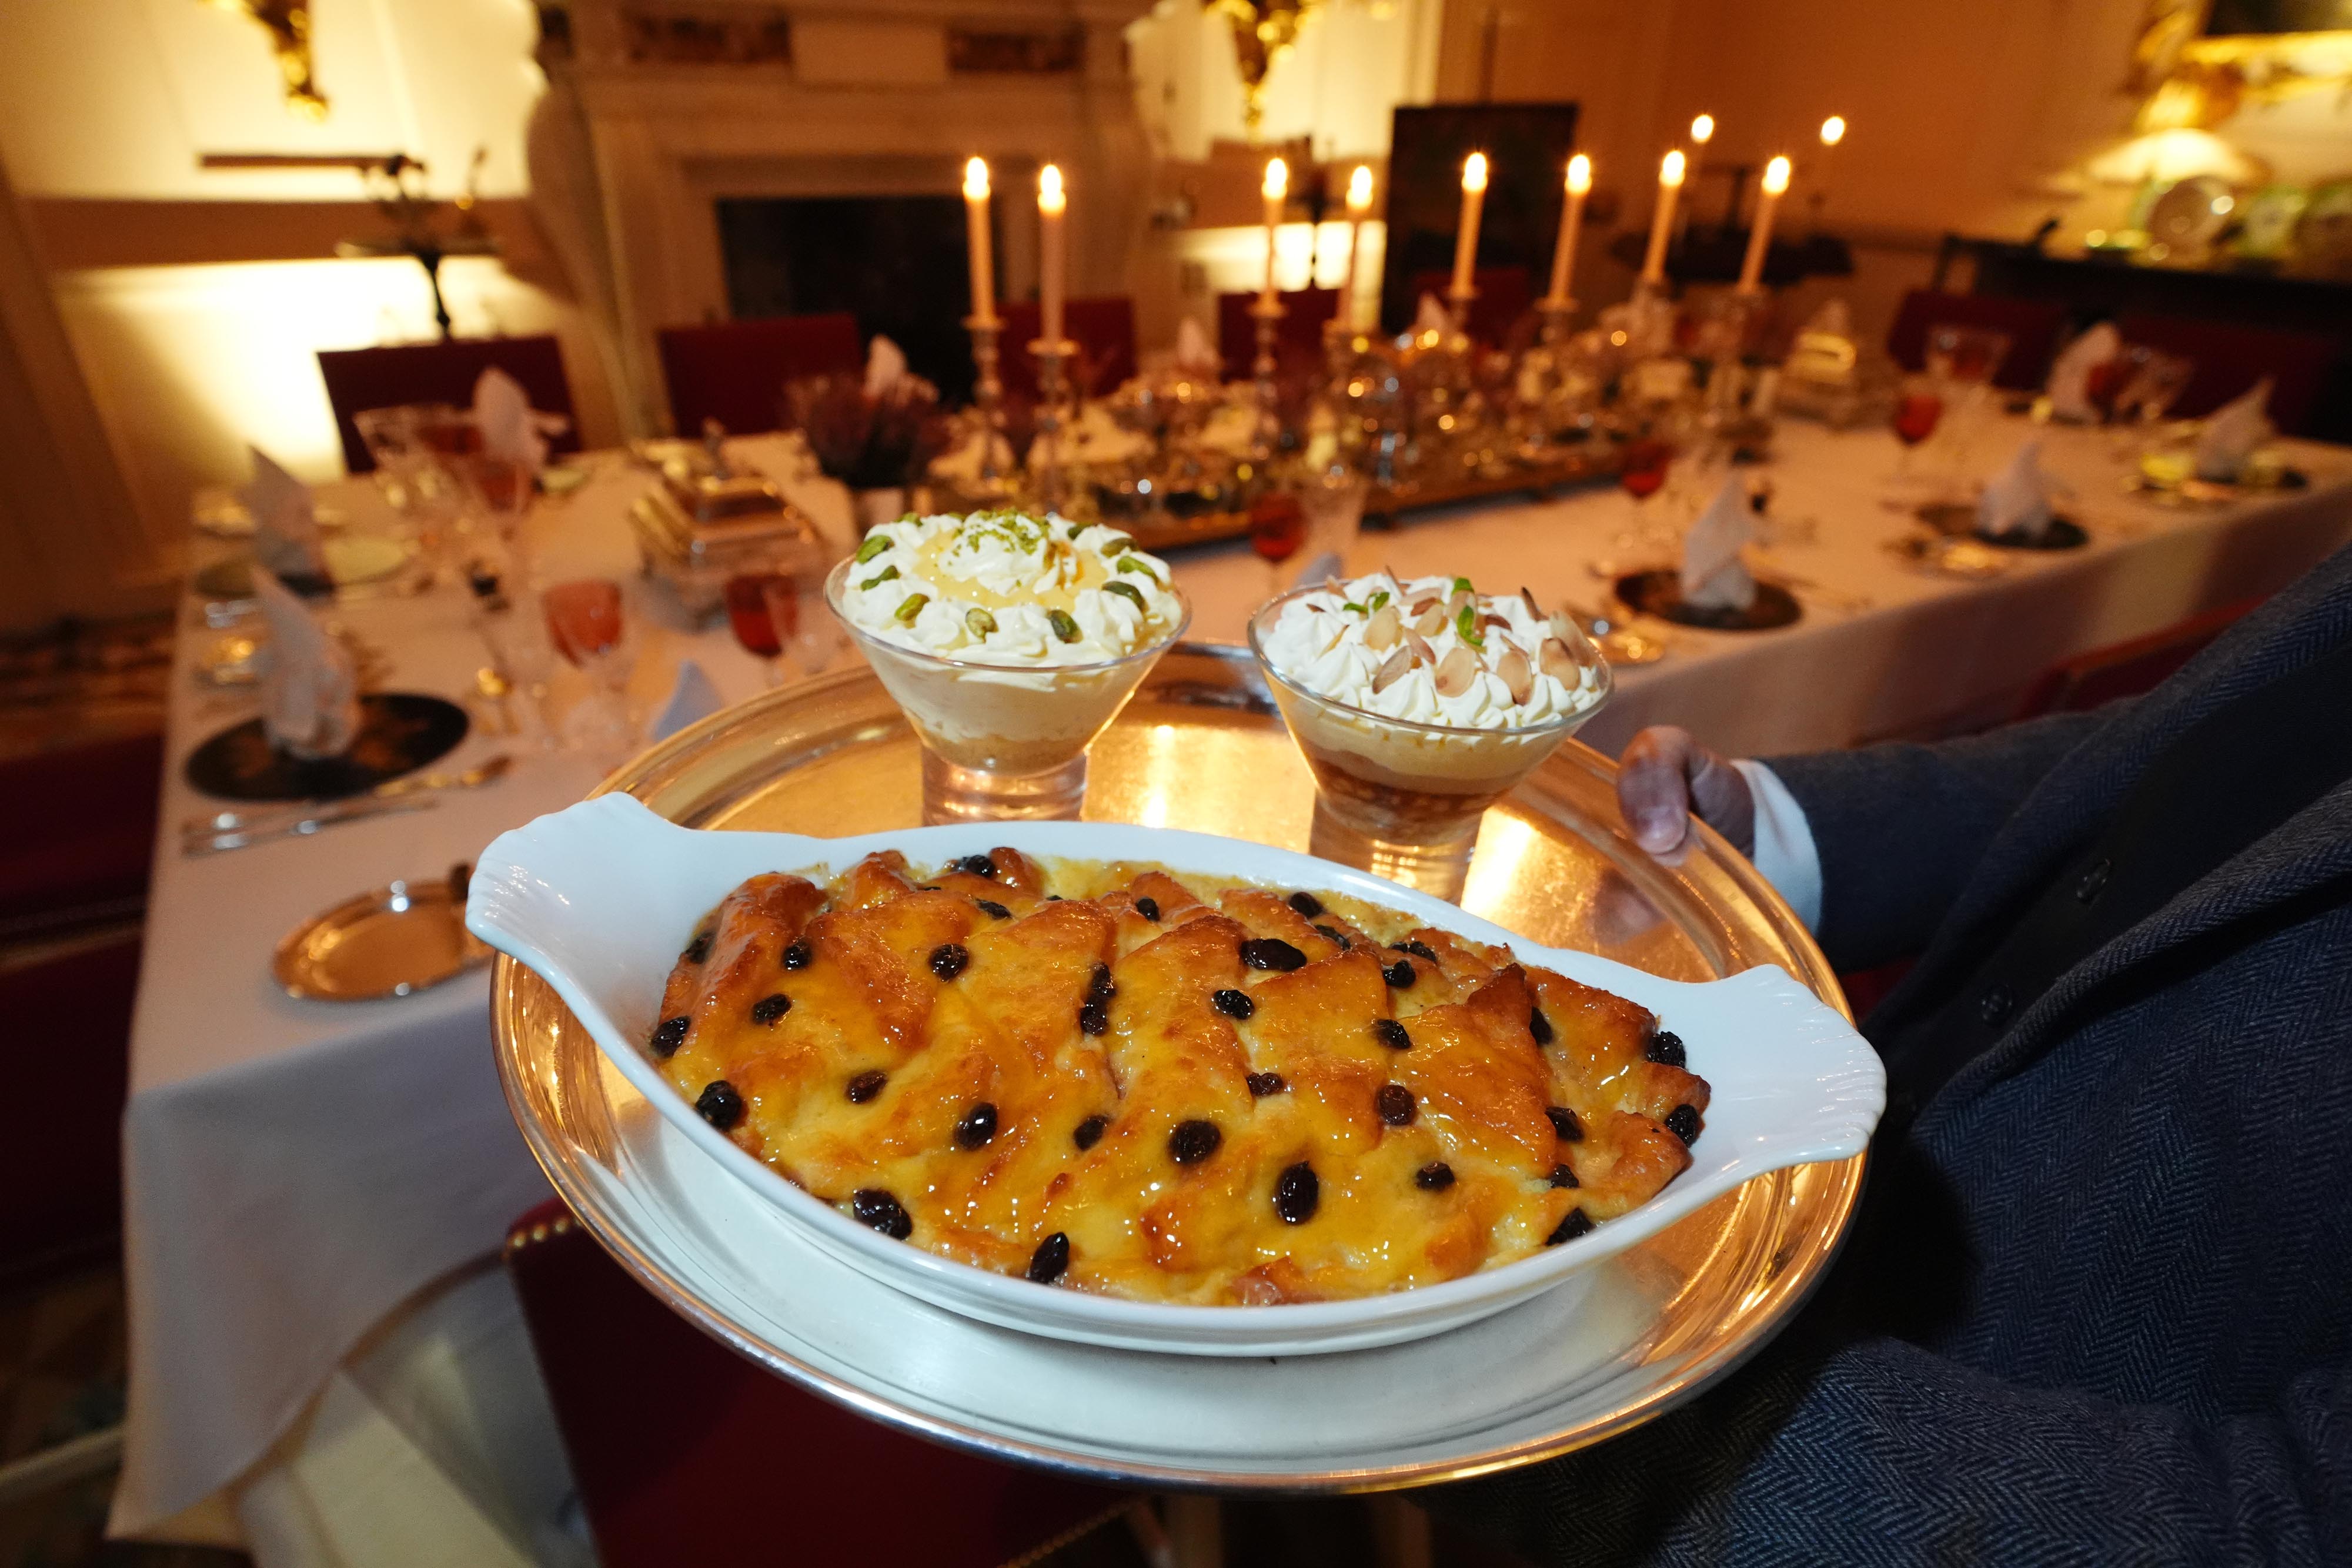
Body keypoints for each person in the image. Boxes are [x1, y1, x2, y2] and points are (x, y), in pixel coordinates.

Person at [1439, 541, 2352, 1564]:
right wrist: (1781, 835)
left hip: (1927, 1430)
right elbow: (2189, 755)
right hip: (1790, 1187)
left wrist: (1568, 1417)